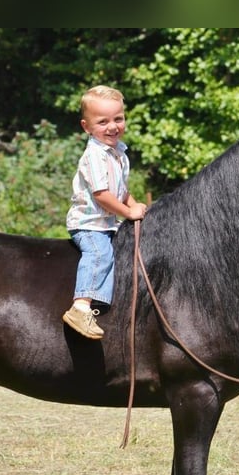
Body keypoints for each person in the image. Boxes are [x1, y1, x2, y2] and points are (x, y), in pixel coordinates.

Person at [62, 85, 147, 339]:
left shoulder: (119, 153)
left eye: (118, 119)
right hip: (89, 224)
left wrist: (134, 204)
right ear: (86, 126)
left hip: (106, 223)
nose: (112, 126)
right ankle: (81, 306)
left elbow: (119, 191)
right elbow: (102, 196)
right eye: (103, 122)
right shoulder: (94, 155)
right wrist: (128, 213)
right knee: (99, 254)